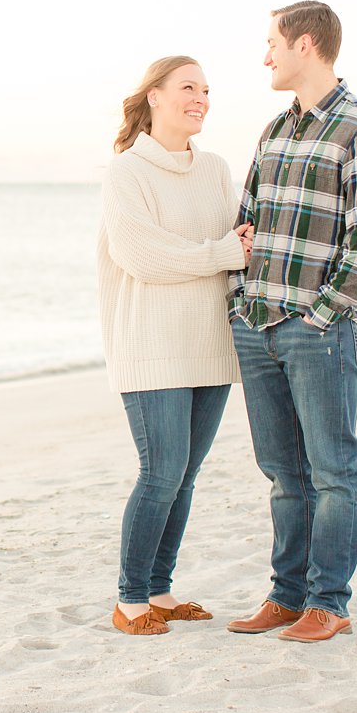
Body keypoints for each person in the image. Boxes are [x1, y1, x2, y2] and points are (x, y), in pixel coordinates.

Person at [224, 1, 357, 643]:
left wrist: (322, 315)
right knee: (282, 472)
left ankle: (329, 602)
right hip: (258, 322)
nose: (265, 56)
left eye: (272, 43)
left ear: (304, 44)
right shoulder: (275, 130)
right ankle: (286, 595)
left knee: (331, 469)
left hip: (318, 329)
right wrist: (240, 304)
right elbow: (245, 220)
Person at [97, 55, 253, 636]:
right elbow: (143, 256)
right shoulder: (126, 173)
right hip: (151, 344)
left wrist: (228, 249)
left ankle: (160, 592)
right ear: (154, 97)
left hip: (210, 342)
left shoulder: (214, 168)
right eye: (188, 87)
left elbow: (242, 235)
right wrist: (220, 253)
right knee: (160, 471)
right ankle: (130, 599)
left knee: (184, 475)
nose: (201, 98)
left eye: (207, 90)